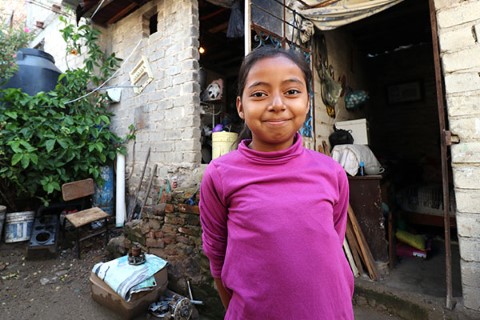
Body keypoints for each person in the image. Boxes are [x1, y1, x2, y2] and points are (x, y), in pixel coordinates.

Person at [199, 46, 354, 319]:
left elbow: (332, 246)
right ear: (240, 107)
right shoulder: (220, 175)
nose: (277, 104)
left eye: (292, 92)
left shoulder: (332, 173)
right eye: (259, 94)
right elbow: (217, 259)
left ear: (307, 102)